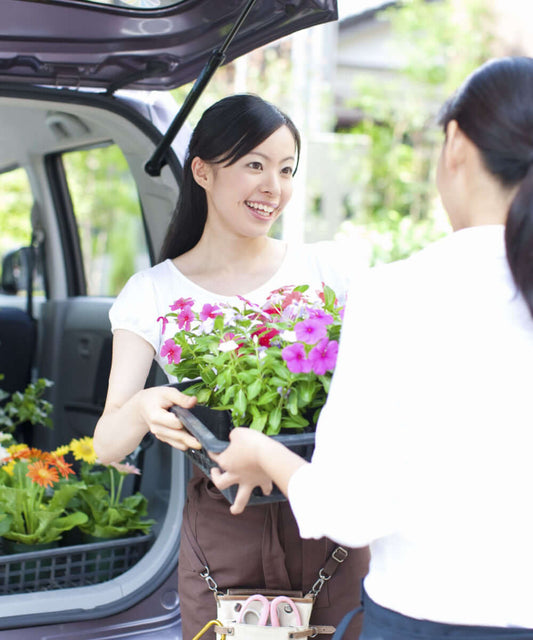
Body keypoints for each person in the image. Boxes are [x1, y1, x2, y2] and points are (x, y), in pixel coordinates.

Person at [211, 57, 533, 639]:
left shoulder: (400, 294)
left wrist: (265, 454)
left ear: (455, 144)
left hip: (429, 623)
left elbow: (347, 510)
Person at [93, 94, 369, 640]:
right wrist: (147, 406)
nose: (275, 187)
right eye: (255, 165)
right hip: (224, 535)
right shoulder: (152, 292)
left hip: (326, 516)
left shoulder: (330, 269)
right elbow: (107, 443)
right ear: (203, 171)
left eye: (287, 170)